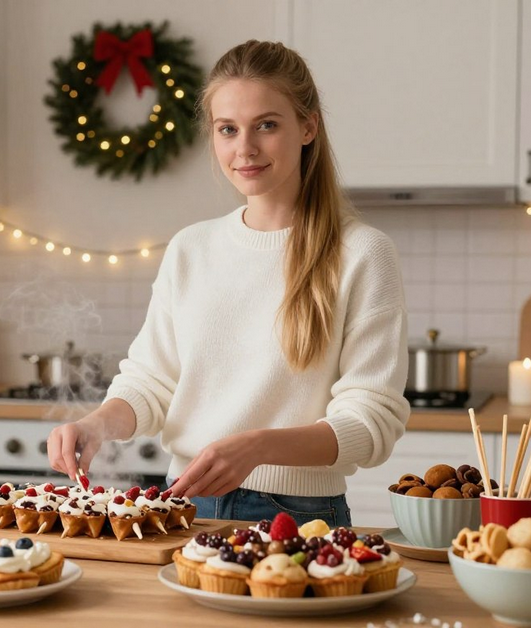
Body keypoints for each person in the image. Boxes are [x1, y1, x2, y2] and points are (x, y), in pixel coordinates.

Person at [46, 40, 409, 526]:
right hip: (181, 507)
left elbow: (372, 422)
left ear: (307, 126)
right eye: (228, 129)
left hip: (299, 517)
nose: (245, 149)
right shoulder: (190, 248)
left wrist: (256, 448)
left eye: (266, 125)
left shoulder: (362, 253)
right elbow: (151, 382)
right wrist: (96, 425)